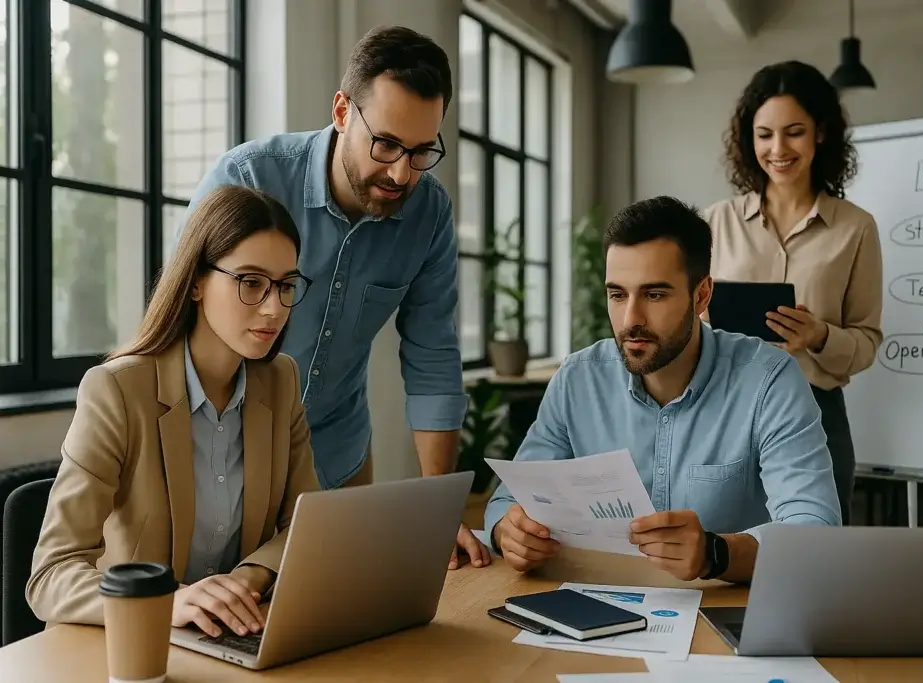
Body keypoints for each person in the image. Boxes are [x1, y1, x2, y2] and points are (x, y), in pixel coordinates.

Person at [175, 25, 488, 570]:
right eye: (386, 144)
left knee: (341, 628)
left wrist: (439, 510)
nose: (400, 173)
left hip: (337, 456)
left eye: (420, 152)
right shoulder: (249, 178)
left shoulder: (428, 213)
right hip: (223, 458)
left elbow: (432, 354)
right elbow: (180, 316)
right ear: (343, 111)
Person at [483, 197, 841, 583]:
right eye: (617, 295)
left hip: (723, 612)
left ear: (701, 295)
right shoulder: (577, 379)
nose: (630, 319)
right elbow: (508, 499)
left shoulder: (770, 380)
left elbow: (814, 529)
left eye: (654, 295)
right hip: (595, 606)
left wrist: (716, 553)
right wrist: (509, 532)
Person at [27, 185, 322, 639]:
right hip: (132, 647)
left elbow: (307, 525)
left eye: (285, 286)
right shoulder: (117, 391)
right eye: (251, 282)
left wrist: (247, 578)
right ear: (198, 282)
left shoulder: (281, 382)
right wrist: (167, 600)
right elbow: (51, 574)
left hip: (233, 637)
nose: (273, 308)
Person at [702, 61, 883, 525]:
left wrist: (819, 336)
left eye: (794, 132)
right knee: (725, 556)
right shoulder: (714, 222)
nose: (777, 149)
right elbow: (687, 317)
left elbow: (867, 341)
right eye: (764, 134)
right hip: (725, 412)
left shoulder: (856, 228)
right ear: (750, 139)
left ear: (821, 133)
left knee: (818, 563)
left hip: (818, 413)